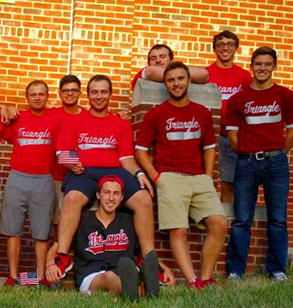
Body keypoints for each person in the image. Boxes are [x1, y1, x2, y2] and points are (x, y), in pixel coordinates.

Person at [135, 61, 227, 289]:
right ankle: (193, 280)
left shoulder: (202, 113)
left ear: (188, 81)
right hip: (170, 177)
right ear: (165, 84)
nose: (176, 84)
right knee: (179, 229)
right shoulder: (157, 114)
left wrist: (207, 175)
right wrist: (157, 177)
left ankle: (205, 276)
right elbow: (140, 151)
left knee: (219, 223)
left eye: (180, 79)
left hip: (199, 178)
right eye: (170, 80)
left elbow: (209, 148)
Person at [54, 74, 156, 280]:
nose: (99, 96)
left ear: (110, 94)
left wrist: (140, 173)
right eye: (94, 92)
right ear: (88, 95)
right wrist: (71, 163)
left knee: (144, 199)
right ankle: (62, 255)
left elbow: (126, 158)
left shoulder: (121, 125)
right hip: (85, 172)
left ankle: (148, 259)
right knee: (72, 198)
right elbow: (61, 152)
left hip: (115, 172)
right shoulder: (75, 121)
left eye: (103, 92)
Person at [226, 46, 293, 281]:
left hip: (277, 164)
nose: (262, 68)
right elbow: (232, 136)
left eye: (267, 64)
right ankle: (236, 270)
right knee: (242, 218)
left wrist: (278, 153)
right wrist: (248, 153)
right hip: (246, 164)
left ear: (274, 66)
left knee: (278, 218)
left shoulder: (285, 95)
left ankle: (276, 268)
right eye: (258, 64)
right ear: (251, 66)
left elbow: (291, 131)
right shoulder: (238, 99)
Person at [46, 175, 160, 300]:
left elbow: (142, 254)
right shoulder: (82, 220)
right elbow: (56, 247)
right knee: (108, 277)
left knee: (119, 273)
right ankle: (133, 288)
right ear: (98, 195)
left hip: (121, 272)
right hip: (90, 277)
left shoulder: (128, 222)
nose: (111, 198)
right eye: (107, 193)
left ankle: (134, 287)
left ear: (121, 197)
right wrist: (50, 264)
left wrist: (162, 269)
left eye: (116, 193)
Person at [0, 80, 59, 286]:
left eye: (41, 94)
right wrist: (3, 108)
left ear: (47, 96)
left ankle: (40, 277)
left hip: (43, 180)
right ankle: (13, 277)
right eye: (33, 94)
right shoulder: (18, 117)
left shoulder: (55, 116)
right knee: (12, 229)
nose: (37, 97)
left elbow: (80, 118)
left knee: (41, 232)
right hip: (17, 178)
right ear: (27, 98)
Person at [206, 30, 252, 203]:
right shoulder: (206, 74)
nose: (225, 48)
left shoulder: (244, 77)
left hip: (232, 136)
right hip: (209, 137)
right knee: (207, 181)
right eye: (220, 44)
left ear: (236, 49)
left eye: (230, 44)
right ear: (215, 49)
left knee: (229, 183)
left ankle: (226, 221)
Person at [51, 75, 87, 228]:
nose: (70, 93)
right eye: (65, 90)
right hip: (55, 179)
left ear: (80, 93)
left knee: (79, 226)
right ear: (59, 93)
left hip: (81, 180)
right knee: (54, 226)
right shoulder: (51, 115)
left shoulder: (88, 117)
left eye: (74, 90)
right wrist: (6, 108)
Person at [131, 44, 209, 89]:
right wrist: (181, 75)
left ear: (171, 60)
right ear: (148, 64)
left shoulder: (176, 69)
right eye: (153, 58)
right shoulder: (143, 74)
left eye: (162, 56)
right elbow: (152, 72)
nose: (158, 60)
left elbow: (204, 74)